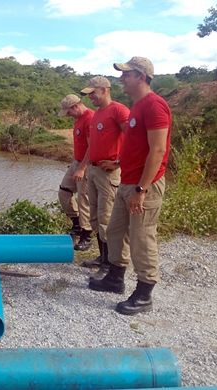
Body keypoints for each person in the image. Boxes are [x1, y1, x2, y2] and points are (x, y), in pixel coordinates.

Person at [89, 57, 172, 316]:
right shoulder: (137, 106)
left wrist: (141, 189)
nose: (122, 79)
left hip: (143, 185)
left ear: (141, 76)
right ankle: (115, 278)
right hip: (127, 181)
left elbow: (158, 150)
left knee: (142, 237)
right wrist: (119, 165)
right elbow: (135, 146)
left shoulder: (155, 105)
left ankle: (144, 294)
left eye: (126, 74)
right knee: (115, 231)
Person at [79, 76, 130, 271]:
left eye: (93, 92)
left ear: (105, 89)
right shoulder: (98, 113)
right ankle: (102, 258)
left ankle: (110, 264)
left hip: (108, 173)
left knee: (106, 218)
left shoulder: (118, 110)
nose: (90, 97)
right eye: (89, 93)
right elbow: (93, 143)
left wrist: (118, 163)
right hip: (93, 170)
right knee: (94, 216)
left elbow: (133, 138)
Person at [57, 94, 94, 251]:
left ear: (75, 107)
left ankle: (87, 235)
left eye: (69, 112)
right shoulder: (78, 119)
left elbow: (92, 147)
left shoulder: (90, 118)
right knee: (64, 191)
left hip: (86, 165)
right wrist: (75, 164)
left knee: (83, 199)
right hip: (76, 162)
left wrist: (82, 168)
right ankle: (77, 223)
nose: (68, 116)